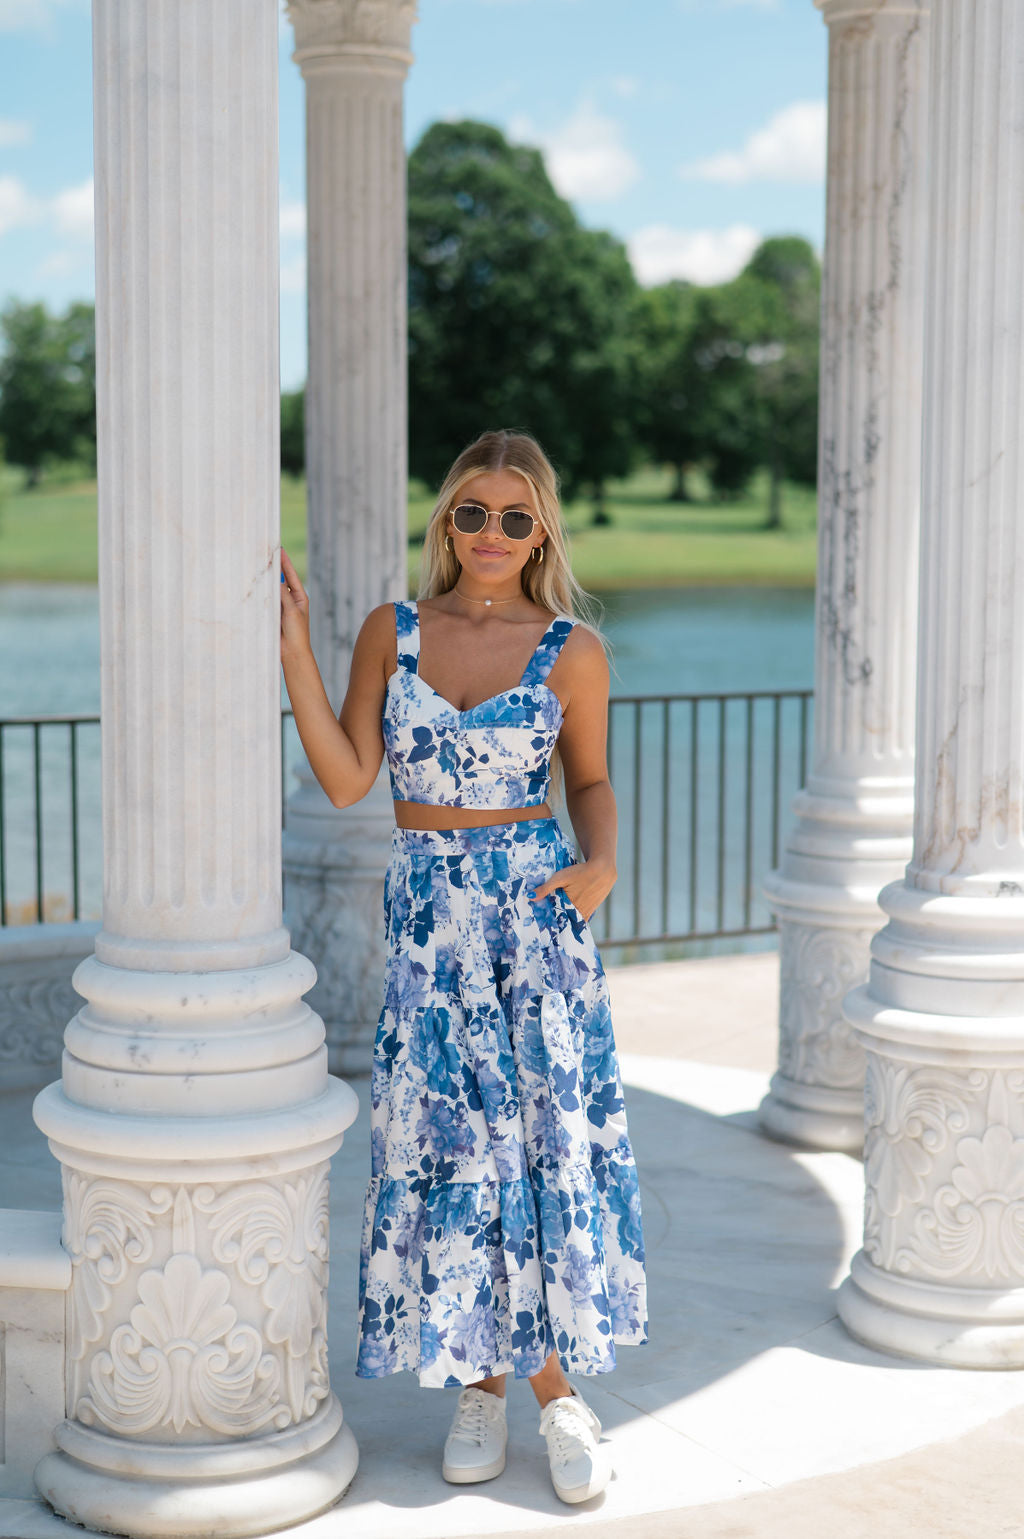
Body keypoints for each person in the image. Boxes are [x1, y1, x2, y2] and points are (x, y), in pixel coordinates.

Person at [280, 428, 647, 1505]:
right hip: (431, 920)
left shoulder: (570, 648)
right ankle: (503, 1390)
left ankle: (541, 1394)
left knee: (533, 1145)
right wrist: (295, 647)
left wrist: (602, 866)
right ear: (447, 522)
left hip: (534, 919)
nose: (492, 533)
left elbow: (587, 783)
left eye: (516, 517)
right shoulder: (392, 632)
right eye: (473, 513)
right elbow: (349, 779)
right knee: (457, 1150)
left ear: (542, 534)